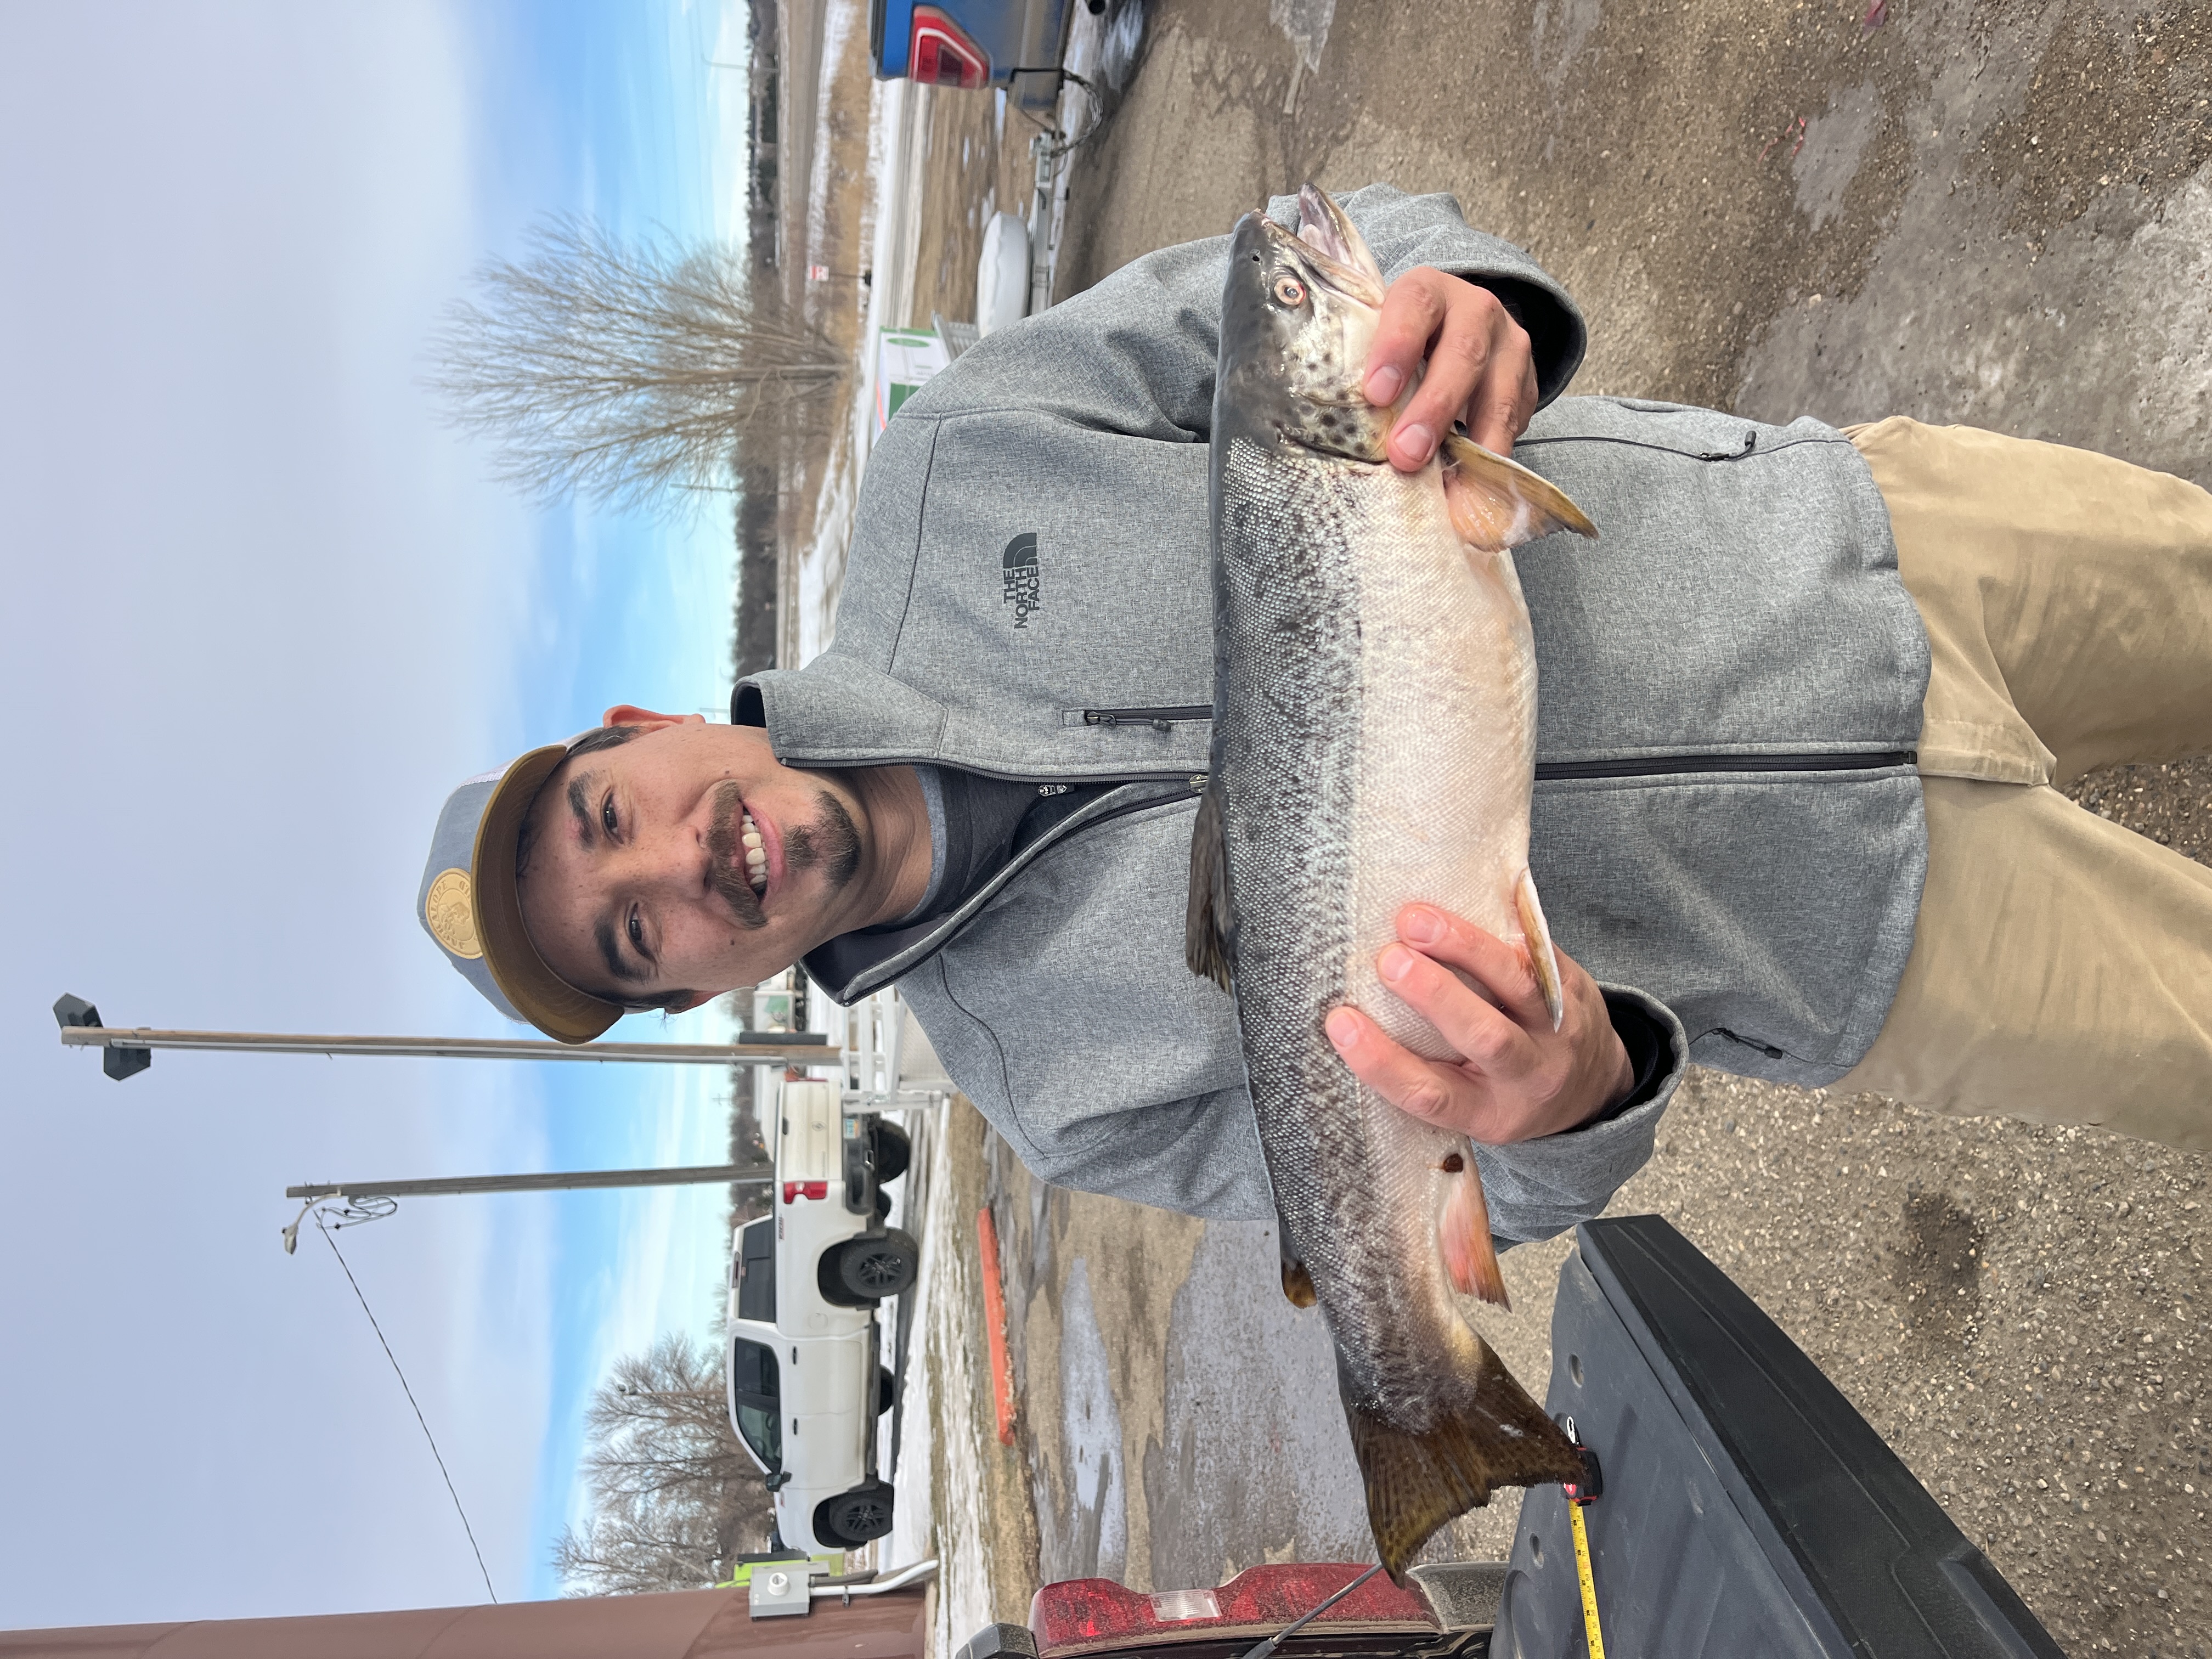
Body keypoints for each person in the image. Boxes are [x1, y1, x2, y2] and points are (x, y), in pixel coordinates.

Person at [416, 185, 2212, 1243]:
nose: (684, 869)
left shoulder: (957, 466)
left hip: (1853, 549)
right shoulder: (1064, 1095)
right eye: (640, 943)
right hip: (1857, 941)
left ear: (643, 724)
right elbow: (1446, 1217)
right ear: (702, 993)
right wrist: (1568, 1104)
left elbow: (1297, 264)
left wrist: (1462, 303)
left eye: (611, 818)